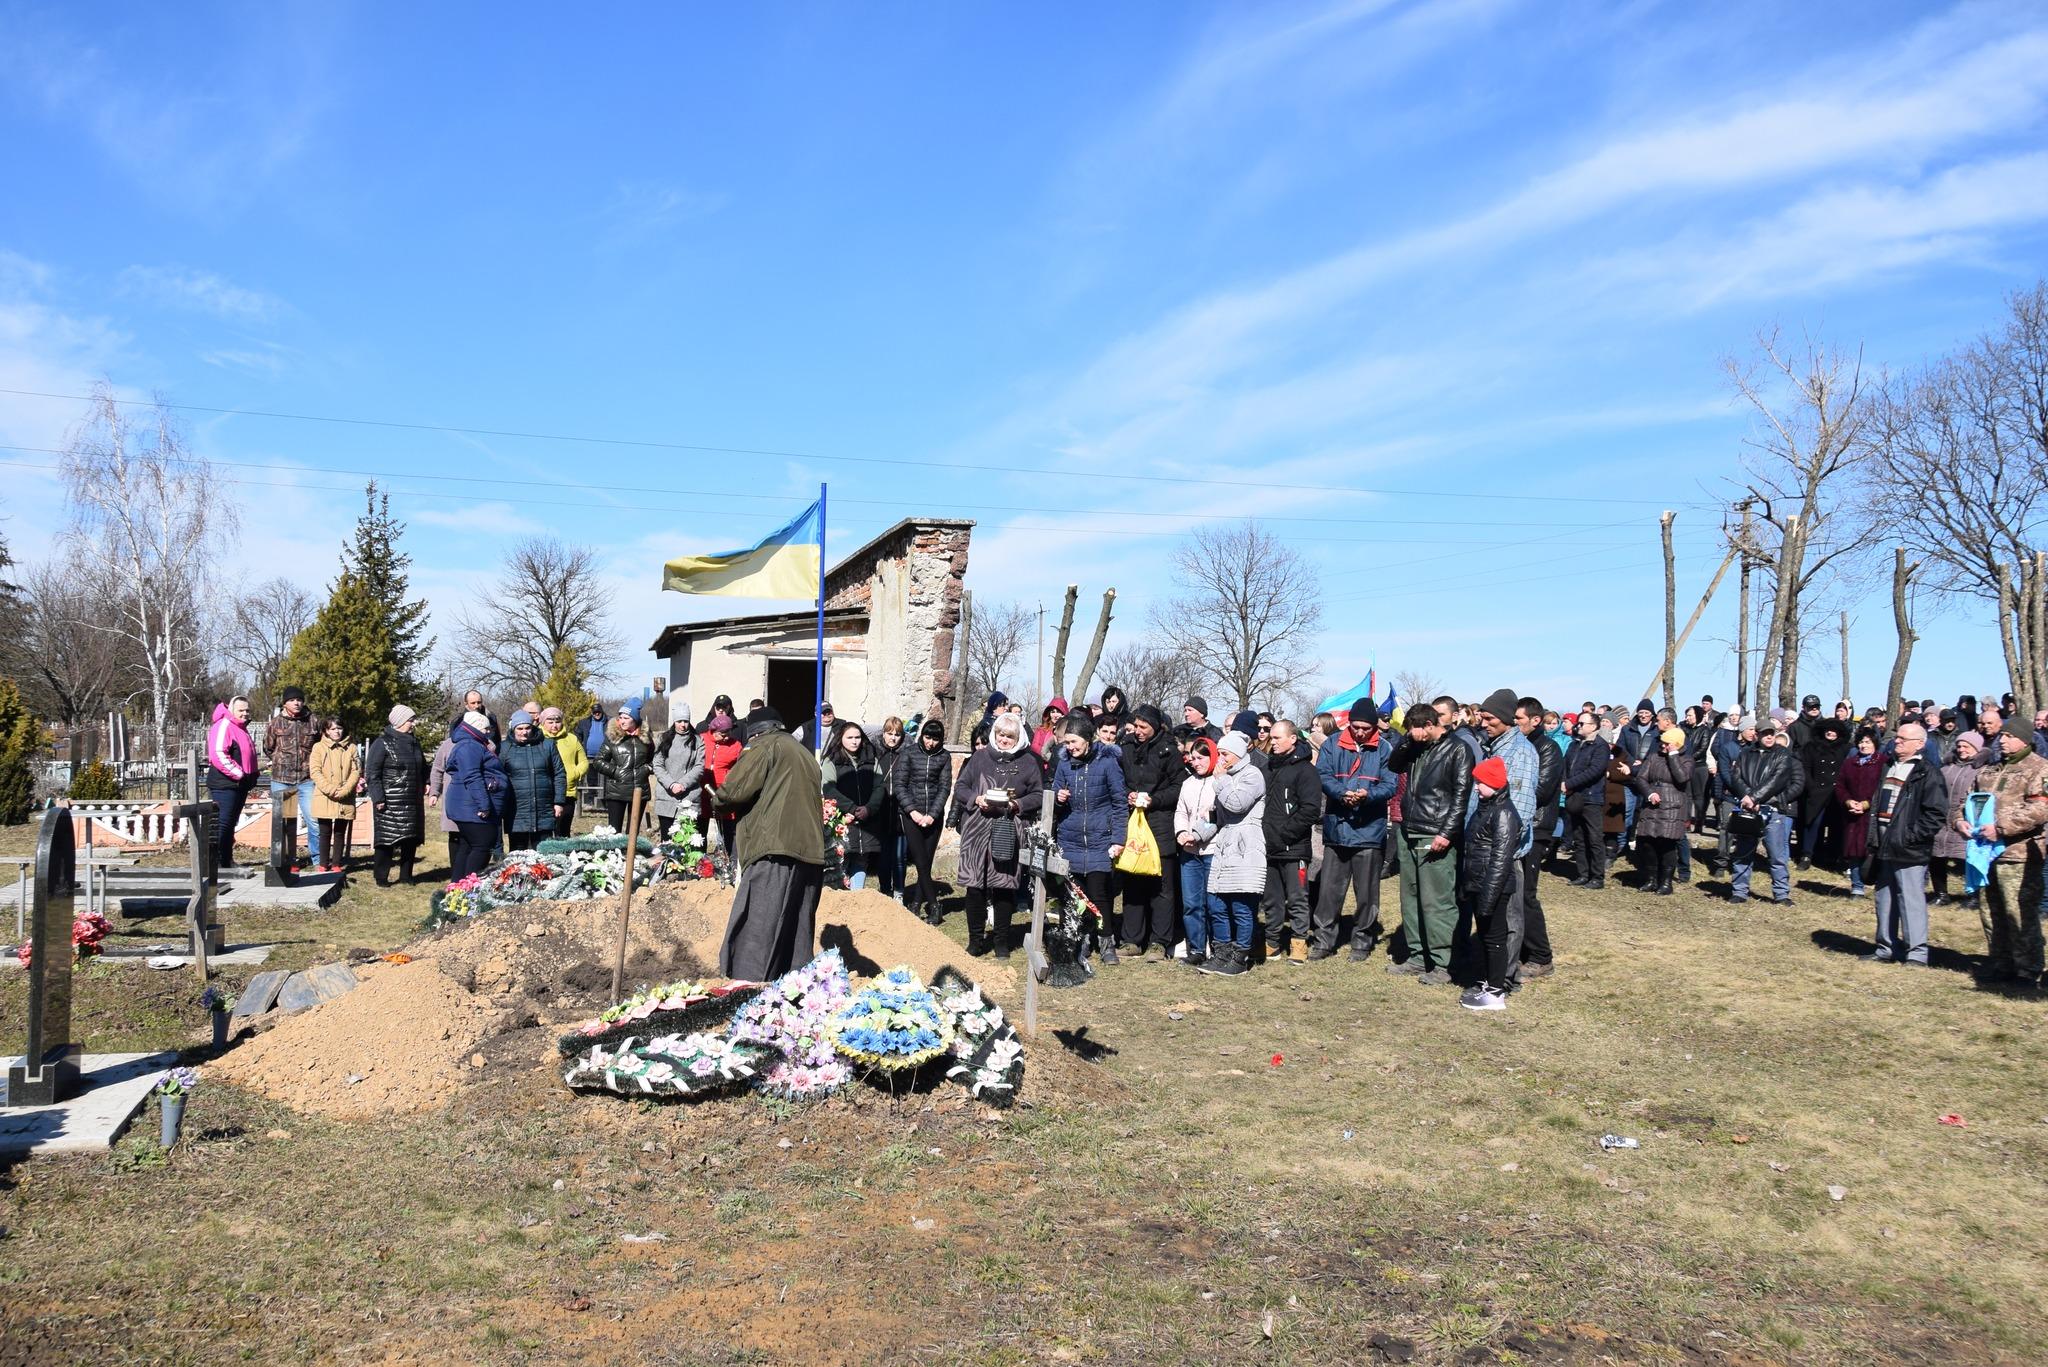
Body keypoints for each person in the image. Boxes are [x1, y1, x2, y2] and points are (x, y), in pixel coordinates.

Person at [714, 707, 827, 980]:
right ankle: (794, 989)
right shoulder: (805, 754)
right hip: (810, 853)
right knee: (797, 928)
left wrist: (717, 799)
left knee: (758, 924)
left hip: (773, 849)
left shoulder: (763, 746)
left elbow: (733, 791)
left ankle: (745, 988)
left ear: (755, 731)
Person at [1953, 729, 2048, 985]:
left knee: (2019, 912)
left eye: (2008, 735)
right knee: (1990, 910)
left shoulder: (2040, 768)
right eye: (2001, 737)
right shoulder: (1989, 769)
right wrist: (1959, 821)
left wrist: (2002, 828)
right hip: (1984, 854)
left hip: (2018, 853)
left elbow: (2040, 808)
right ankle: (2001, 963)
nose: (2002, 740)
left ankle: (2028, 969)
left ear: (2025, 739)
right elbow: (1966, 802)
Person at [1386, 703, 1470, 984]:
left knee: (1436, 899)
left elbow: (1461, 796)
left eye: (1415, 729)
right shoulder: (1415, 747)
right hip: (1409, 828)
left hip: (1435, 832)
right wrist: (1406, 741)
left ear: (1431, 725)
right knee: (1410, 897)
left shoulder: (1458, 749)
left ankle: (1442, 963)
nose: (1411, 734)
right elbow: (1394, 765)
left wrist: (1446, 833)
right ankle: (1417, 956)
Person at [948, 712, 1044, 958]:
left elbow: (1038, 794)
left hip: (1007, 828)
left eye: (1009, 736)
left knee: (1003, 887)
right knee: (975, 887)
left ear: (1018, 737)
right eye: (1000, 734)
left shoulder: (1027, 762)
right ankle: (975, 941)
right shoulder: (980, 758)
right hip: (977, 829)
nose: (1003, 740)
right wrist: (975, 798)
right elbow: (961, 787)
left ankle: (1001, 941)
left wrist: (1017, 805)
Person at [1312, 697, 1399, 961]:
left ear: (1374, 726)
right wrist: (1342, 793)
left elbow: (1391, 783)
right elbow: (1323, 775)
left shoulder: (1384, 750)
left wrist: (1367, 795)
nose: (1360, 732)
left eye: (1366, 728)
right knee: (1329, 892)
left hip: (1369, 831)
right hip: (1338, 828)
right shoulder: (1332, 744)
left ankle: (1362, 940)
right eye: (1356, 727)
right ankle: (1324, 940)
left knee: (1367, 893)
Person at [1860, 722, 1947, 966]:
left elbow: (1936, 814)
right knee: (1884, 898)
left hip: (1909, 848)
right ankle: (1885, 948)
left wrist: (1909, 836)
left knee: (1910, 900)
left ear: (1919, 744)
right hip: (1883, 844)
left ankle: (1916, 953)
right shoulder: (1888, 767)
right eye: (1897, 738)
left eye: (1903, 739)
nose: (1897, 741)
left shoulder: (1928, 772)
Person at [1052, 714, 1129, 963]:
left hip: (1099, 839)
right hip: (1071, 839)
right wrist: (1057, 797)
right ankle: (1082, 941)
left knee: (1099, 894)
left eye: (1074, 742)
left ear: (1088, 739)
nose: (1070, 747)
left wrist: (1118, 839)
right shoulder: (1064, 765)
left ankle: (1106, 942)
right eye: (1066, 743)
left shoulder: (1107, 763)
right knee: (1076, 897)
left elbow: (1119, 803)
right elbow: (1053, 796)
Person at [1198, 731, 1267, 977]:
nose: (1221, 759)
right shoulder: (1226, 777)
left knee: (1241, 906)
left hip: (1245, 848)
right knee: (1216, 904)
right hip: (1225, 846)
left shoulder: (1252, 775)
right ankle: (1222, 953)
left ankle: (1240, 958)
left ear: (1238, 754)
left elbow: (1237, 804)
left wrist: (1221, 781)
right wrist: (1194, 833)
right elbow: (1218, 815)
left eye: (1225, 754)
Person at [1118, 703, 1184, 961]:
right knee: (1133, 883)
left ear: (1155, 727)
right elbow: (1120, 780)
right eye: (1136, 726)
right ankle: (1132, 939)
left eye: (1143, 727)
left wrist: (1154, 800)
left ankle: (1159, 941)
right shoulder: (1127, 748)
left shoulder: (1169, 752)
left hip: (1160, 825)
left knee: (1161, 887)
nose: (1138, 731)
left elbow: (1179, 787)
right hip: (1133, 824)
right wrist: (1128, 795)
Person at [1458, 756, 1523, 1013]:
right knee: (1485, 937)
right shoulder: (1485, 808)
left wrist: (1488, 896)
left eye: (1480, 782)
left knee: (1495, 939)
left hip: (1493, 886)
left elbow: (1500, 860)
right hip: (1478, 884)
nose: (1476, 787)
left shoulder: (1504, 813)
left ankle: (1496, 991)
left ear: (1494, 784)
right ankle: (1488, 982)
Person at [1260, 719, 1324, 963]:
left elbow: (1310, 810)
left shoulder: (1306, 771)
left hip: (1293, 848)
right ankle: (1272, 943)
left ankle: (1299, 943)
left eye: (1277, 738)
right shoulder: (1269, 768)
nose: (1272, 742)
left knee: (1297, 898)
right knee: (1272, 900)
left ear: (1292, 738)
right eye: (1271, 738)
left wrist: (1285, 834)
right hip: (1268, 848)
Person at [1726, 719, 1805, 905]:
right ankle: (1739, 891)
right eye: (1765, 733)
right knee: (1744, 851)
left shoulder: (1783, 754)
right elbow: (1735, 777)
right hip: (1748, 809)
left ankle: (1781, 894)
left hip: (1773, 810)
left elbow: (1777, 780)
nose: (1769, 736)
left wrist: (1755, 798)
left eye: (1772, 733)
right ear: (1757, 735)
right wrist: (1747, 798)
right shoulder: (1745, 754)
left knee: (1777, 854)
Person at [1514, 698, 1562, 974]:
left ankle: (1541, 956)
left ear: (1535, 720)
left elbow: (1541, 790)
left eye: (1519, 719)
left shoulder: (1548, 749)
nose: (1515, 723)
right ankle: (1520, 948)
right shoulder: (1520, 746)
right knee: (1515, 892)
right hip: (1518, 823)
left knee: (1527, 894)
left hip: (1537, 826)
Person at [894, 719, 954, 923]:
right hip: (911, 815)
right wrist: (913, 812)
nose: (931, 743)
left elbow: (945, 787)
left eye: (936, 739)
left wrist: (932, 815)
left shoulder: (944, 756)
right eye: (928, 737)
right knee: (919, 860)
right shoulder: (908, 753)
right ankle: (935, 906)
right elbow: (900, 785)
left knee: (925, 863)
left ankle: (916, 905)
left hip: (933, 817)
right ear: (922, 735)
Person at [365, 705, 428, 886]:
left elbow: (423, 767)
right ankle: (381, 876)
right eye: (410, 720)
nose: (413, 723)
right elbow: (372, 773)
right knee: (386, 840)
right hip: (390, 800)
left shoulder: (414, 743)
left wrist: (427, 782)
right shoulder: (382, 742)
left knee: (410, 839)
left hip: (412, 799)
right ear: (400, 722)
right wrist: (378, 798)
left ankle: (406, 876)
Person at [821, 718, 885, 890]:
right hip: (842, 820)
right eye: (850, 737)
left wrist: (869, 808)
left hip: (867, 819)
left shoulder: (871, 759)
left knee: (861, 858)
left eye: (857, 737)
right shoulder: (831, 760)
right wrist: (851, 808)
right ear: (841, 738)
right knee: (841, 859)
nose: (854, 741)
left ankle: (858, 898)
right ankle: (842, 899)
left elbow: (879, 786)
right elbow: (828, 788)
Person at [1174, 737, 1222, 969]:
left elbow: (1217, 815)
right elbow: (1181, 811)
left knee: (1214, 903)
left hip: (1212, 849)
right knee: (1192, 903)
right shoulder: (1188, 783)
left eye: (1201, 758)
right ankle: (1196, 948)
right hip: (1189, 851)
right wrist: (1182, 832)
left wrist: (1198, 835)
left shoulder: (1220, 782)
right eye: (1192, 758)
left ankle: (1218, 948)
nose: (1196, 763)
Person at [1629, 726, 1693, 896]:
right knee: (1649, 843)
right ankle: (1651, 879)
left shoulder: (1686, 760)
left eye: (1667, 744)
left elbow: (1681, 777)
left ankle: (1666, 881)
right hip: (1652, 805)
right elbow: (1641, 777)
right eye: (1662, 743)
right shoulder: (1653, 757)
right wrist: (1649, 793)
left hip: (1672, 807)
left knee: (1666, 845)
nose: (1662, 747)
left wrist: (1673, 757)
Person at [264, 685, 322, 871]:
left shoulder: (313, 721)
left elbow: (320, 746)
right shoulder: (275, 723)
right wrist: (281, 760)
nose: (296, 703)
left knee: (313, 819)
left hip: (307, 779)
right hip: (281, 778)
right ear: (285, 703)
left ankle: (318, 859)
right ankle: (288, 860)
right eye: (292, 700)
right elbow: (268, 747)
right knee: (283, 821)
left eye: (299, 699)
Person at [444, 711, 507, 878]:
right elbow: (472, 776)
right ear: (476, 728)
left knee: (468, 846)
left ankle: (458, 887)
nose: (488, 732)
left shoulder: (472, 744)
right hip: (471, 806)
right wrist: (483, 804)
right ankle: (469, 885)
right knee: (482, 845)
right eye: (486, 728)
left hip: (469, 805)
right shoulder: (470, 746)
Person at [204, 696, 259, 872]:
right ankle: (217, 863)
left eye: (247, 710)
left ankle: (226, 861)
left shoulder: (241, 728)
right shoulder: (223, 725)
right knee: (222, 823)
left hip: (239, 785)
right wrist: (239, 774)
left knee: (230, 824)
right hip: (224, 784)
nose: (245, 713)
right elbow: (218, 754)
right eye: (241, 710)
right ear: (232, 710)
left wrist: (252, 775)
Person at [499, 709, 567, 851]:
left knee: (544, 854)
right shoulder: (505, 749)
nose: (524, 732)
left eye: (528, 728)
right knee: (518, 856)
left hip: (544, 809)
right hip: (517, 810)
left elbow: (559, 774)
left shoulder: (547, 745)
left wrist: (559, 802)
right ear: (513, 729)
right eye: (520, 728)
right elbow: (498, 777)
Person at [1930, 731, 1983, 907]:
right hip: (1943, 819)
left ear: (1976, 748)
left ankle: (1973, 896)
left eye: (1966, 746)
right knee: (1936, 856)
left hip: (1967, 821)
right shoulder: (1946, 768)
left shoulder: (1982, 770)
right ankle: (1941, 893)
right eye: (1959, 746)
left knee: (1968, 858)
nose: (1961, 750)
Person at [1562, 711, 1610, 888]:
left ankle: (1597, 876)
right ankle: (1583, 873)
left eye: (1582, 724)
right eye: (1578, 723)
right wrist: (1565, 782)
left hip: (1592, 797)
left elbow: (1594, 771)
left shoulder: (1600, 746)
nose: (1578, 726)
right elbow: (1566, 765)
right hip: (1574, 796)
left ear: (1593, 726)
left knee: (1594, 837)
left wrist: (1569, 783)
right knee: (1579, 837)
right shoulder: (1575, 744)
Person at [1796, 718, 1852, 869]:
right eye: (1828, 730)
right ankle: (1807, 855)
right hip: (1816, 791)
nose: (1831, 733)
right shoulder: (1810, 747)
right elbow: (1805, 768)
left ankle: (1834, 856)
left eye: (1834, 730)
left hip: (1837, 793)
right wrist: (1811, 787)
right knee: (1812, 824)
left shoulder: (1846, 748)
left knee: (1837, 826)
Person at [308, 717, 362, 874]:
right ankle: (323, 863)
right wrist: (330, 789)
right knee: (324, 831)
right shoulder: (318, 747)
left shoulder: (351, 747)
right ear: (325, 731)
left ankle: (337, 863)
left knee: (340, 831)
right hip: (324, 795)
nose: (336, 731)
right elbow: (315, 771)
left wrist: (345, 789)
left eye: (339, 728)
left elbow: (356, 770)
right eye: (332, 729)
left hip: (345, 796)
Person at [1833, 728, 1883, 895]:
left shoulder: (1883, 762)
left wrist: (1867, 804)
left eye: (1867, 742)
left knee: (1874, 850)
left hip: (1874, 814)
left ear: (1875, 743)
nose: (1864, 745)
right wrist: (1848, 801)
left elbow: (1882, 788)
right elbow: (1840, 786)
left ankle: (1879, 884)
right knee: (1854, 850)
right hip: (1852, 814)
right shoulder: (1850, 763)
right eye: (1861, 742)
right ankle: (1857, 886)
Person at [590, 704, 655, 831]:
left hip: (639, 790)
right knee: (614, 832)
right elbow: (598, 761)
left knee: (633, 831)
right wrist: (616, 771)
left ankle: (630, 851)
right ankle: (615, 851)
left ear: (634, 720)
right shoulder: (613, 737)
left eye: (626, 718)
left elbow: (655, 760)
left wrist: (647, 769)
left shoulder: (646, 738)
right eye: (620, 717)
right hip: (616, 791)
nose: (622, 721)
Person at [1611, 699, 1660, 854]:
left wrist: (1644, 764)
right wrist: (1634, 764)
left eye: (1646, 713)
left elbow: (1657, 752)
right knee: (1626, 812)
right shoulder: (1628, 729)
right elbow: (1620, 749)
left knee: (1645, 814)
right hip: (1629, 776)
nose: (1643, 716)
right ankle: (1621, 844)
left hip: (1648, 777)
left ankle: (1642, 845)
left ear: (1652, 714)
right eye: (1641, 713)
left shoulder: (1657, 730)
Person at [651, 705, 706, 841]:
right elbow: (657, 764)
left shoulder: (697, 741)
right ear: (674, 722)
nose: (682, 725)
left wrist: (683, 784)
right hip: (667, 795)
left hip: (689, 796)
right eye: (679, 721)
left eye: (685, 721)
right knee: (667, 841)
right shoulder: (664, 739)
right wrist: (671, 784)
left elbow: (699, 766)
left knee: (686, 842)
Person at [537, 706, 590, 838]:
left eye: (558, 721)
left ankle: (563, 856)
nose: (555, 725)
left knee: (563, 831)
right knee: (545, 832)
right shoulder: (537, 739)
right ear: (543, 722)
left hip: (568, 791)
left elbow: (583, 762)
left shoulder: (572, 739)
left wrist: (574, 773)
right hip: (545, 792)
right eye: (550, 722)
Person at [702, 701, 747, 856]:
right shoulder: (701, 740)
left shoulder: (736, 746)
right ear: (713, 731)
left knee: (727, 828)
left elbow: (741, 768)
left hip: (724, 792)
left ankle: (729, 858)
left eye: (729, 732)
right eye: (723, 733)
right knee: (700, 830)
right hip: (703, 790)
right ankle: (700, 861)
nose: (727, 736)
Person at [875, 717, 909, 899]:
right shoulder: (876, 754)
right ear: (883, 734)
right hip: (881, 811)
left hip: (900, 813)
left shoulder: (906, 755)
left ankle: (899, 892)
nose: (893, 738)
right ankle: (884, 889)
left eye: (897, 734)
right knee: (883, 856)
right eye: (889, 734)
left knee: (899, 856)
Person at [428, 725, 461, 870]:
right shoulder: (448, 745)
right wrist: (434, 792)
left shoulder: (485, 743)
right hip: (453, 796)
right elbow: (437, 769)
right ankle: (455, 870)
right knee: (454, 833)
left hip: (476, 799)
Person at [1032, 698, 1070, 763]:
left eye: (1058, 712)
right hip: (1043, 764)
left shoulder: (1069, 729)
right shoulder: (1041, 729)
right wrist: (1050, 756)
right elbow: (1034, 746)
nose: (1055, 715)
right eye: (1053, 712)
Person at [581, 703, 609, 768]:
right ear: (592, 713)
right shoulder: (584, 722)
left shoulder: (609, 722)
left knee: (603, 777)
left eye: (598, 712)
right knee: (590, 777)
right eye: (595, 712)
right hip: (588, 757)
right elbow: (577, 736)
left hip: (604, 758)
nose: (597, 714)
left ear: (602, 712)